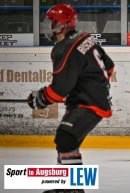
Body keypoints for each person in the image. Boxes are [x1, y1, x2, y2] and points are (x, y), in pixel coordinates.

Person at [27, 4, 115, 193]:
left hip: (89, 103)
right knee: (66, 140)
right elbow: (109, 67)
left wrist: (39, 99)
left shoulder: (63, 47)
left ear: (64, 23)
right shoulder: (86, 38)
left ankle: (73, 189)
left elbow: (59, 91)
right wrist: (97, 87)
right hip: (90, 100)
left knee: (66, 139)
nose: (49, 26)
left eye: (53, 22)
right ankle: (65, 185)